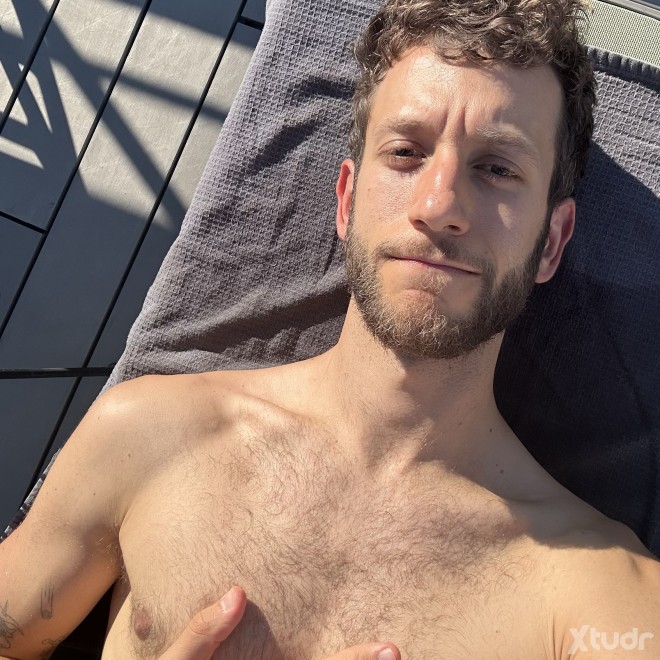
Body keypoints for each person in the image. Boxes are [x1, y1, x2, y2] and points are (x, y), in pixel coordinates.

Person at [1, 0, 659, 658]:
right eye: (406, 152)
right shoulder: (146, 435)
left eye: (497, 168)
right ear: (346, 201)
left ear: (552, 242)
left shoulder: (597, 589)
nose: (439, 206)